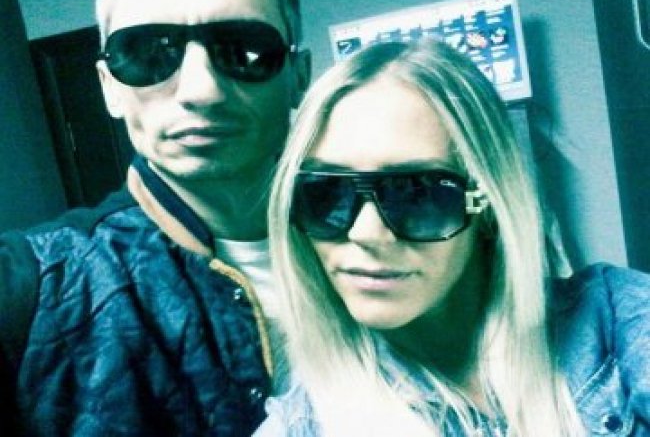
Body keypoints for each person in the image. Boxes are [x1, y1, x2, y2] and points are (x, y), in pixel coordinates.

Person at [254, 39, 650, 436]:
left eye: (417, 192)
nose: (365, 233)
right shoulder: (301, 424)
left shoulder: (616, 321)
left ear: (488, 205)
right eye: (326, 193)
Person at [0, 0, 310, 435]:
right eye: (147, 52)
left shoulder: (396, 234)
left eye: (243, 48)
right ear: (109, 88)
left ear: (299, 75)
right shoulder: (33, 288)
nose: (203, 91)